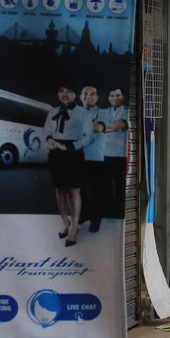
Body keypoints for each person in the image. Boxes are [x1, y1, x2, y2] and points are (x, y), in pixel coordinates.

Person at [42, 82, 92, 246]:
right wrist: (49, 139)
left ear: (75, 94)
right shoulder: (53, 111)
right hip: (56, 154)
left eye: (69, 91)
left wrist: (70, 146)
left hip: (73, 154)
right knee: (60, 190)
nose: (64, 94)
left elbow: (88, 136)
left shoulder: (82, 112)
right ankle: (65, 223)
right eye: (61, 91)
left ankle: (74, 228)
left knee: (74, 192)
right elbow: (46, 131)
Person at [99, 89, 128, 221]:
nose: (114, 98)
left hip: (121, 155)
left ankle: (119, 212)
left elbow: (121, 124)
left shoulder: (127, 111)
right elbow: (95, 126)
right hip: (105, 154)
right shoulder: (104, 112)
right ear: (108, 98)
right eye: (112, 95)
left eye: (118, 95)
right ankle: (107, 210)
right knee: (105, 185)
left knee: (120, 185)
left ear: (123, 97)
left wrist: (104, 127)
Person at [78, 86, 105, 232]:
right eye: (85, 94)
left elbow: (98, 128)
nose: (88, 97)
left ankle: (96, 220)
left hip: (95, 157)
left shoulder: (102, 113)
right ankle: (83, 215)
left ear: (97, 97)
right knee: (80, 189)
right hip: (78, 157)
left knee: (94, 191)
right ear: (80, 97)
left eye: (92, 94)